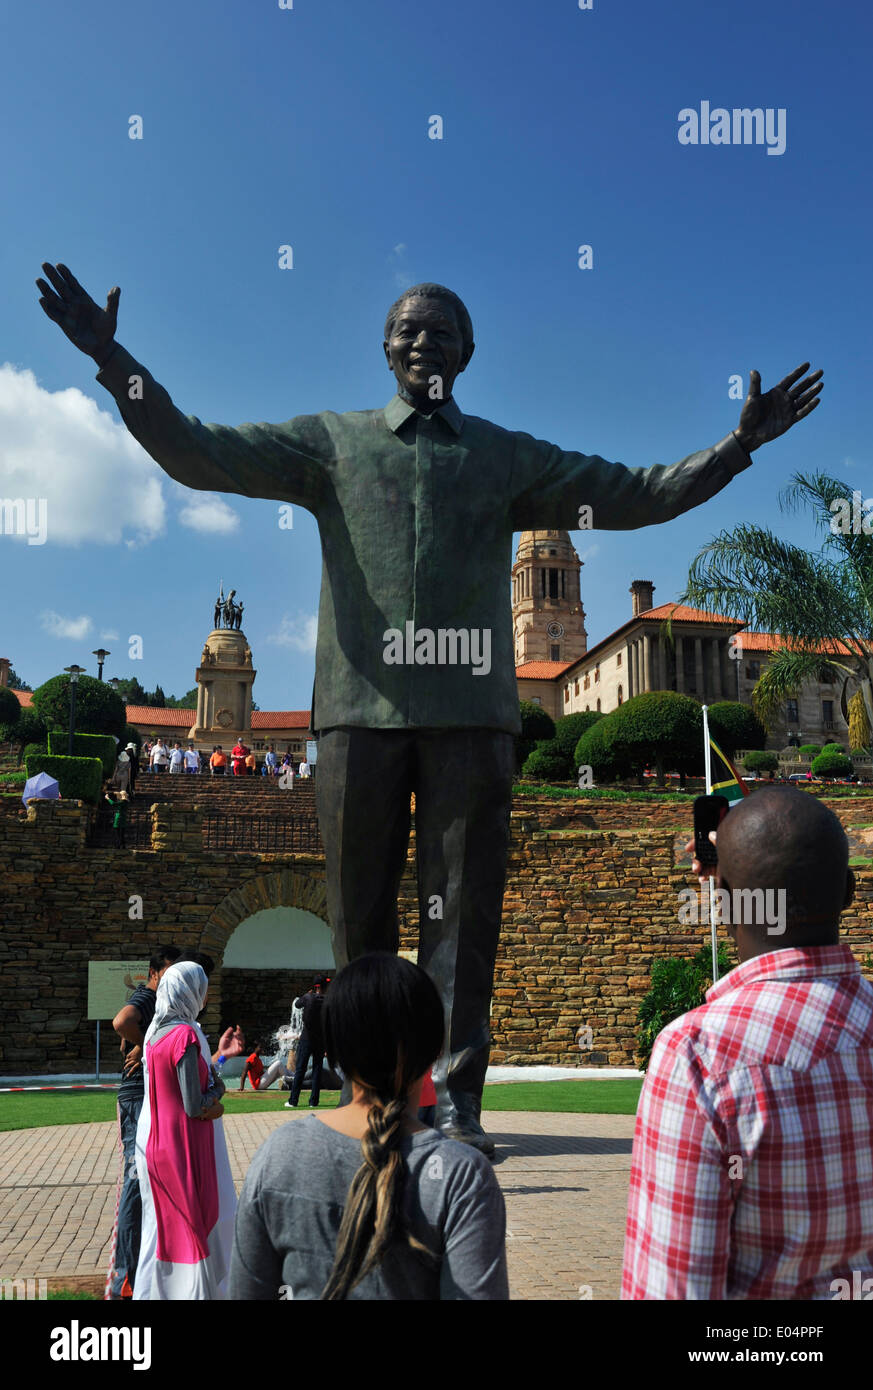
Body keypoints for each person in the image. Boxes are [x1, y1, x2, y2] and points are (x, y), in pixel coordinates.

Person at [37, 264, 823, 1158]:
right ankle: (374, 1100)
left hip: (469, 718)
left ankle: (454, 1105)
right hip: (356, 715)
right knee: (359, 925)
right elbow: (193, 448)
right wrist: (113, 361)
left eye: (442, 331)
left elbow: (635, 491)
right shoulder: (330, 442)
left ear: (469, 353)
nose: (423, 342)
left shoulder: (502, 456)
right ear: (384, 349)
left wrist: (732, 447)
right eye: (408, 330)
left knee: (463, 923)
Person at [622, 786, 873, 1300]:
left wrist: (734, 885)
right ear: (849, 891)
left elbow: (674, 1290)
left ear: (723, 899)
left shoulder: (698, 1055)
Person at [229, 952, 508, 1300]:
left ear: (332, 1050)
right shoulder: (460, 1175)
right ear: (437, 1050)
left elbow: (244, 1291)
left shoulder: (281, 1152)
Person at [133, 960, 237, 1299]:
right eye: (202, 991)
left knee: (167, 1232)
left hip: (157, 1144)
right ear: (192, 993)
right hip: (185, 1144)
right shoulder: (186, 1034)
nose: (204, 999)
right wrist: (219, 1091)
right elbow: (194, 1104)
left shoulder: (154, 1035)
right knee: (197, 1228)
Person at [108, 944, 181, 1299]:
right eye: (169, 971)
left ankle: (142, 1264)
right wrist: (147, 1048)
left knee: (147, 1179)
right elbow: (121, 1022)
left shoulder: (164, 1000)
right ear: (154, 973)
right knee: (136, 1182)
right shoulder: (146, 995)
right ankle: (126, 1275)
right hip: (137, 1096)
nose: (173, 978)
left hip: (147, 1096)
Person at [286, 975, 328, 1109]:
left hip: (306, 1038)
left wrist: (307, 994)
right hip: (320, 1040)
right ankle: (313, 1102)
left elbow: (297, 1005)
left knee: (300, 1070)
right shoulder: (328, 1000)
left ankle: (293, 1101)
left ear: (315, 987)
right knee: (317, 1070)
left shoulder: (308, 998)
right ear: (323, 987)